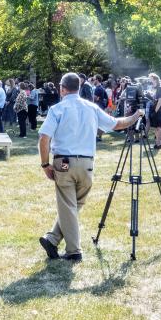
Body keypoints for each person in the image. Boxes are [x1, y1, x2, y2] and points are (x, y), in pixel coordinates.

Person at [37, 72, 143, 261]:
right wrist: (137, 115)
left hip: (63, 162)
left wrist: (45, 163)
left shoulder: (57, 109)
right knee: (74, 206)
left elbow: (44, 138)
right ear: (79, 87)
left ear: (62, 88)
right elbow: (117, 124)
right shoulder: (91, 107)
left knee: (69, 206)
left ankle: (74, 251)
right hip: (87, 163)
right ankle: (52, 239)